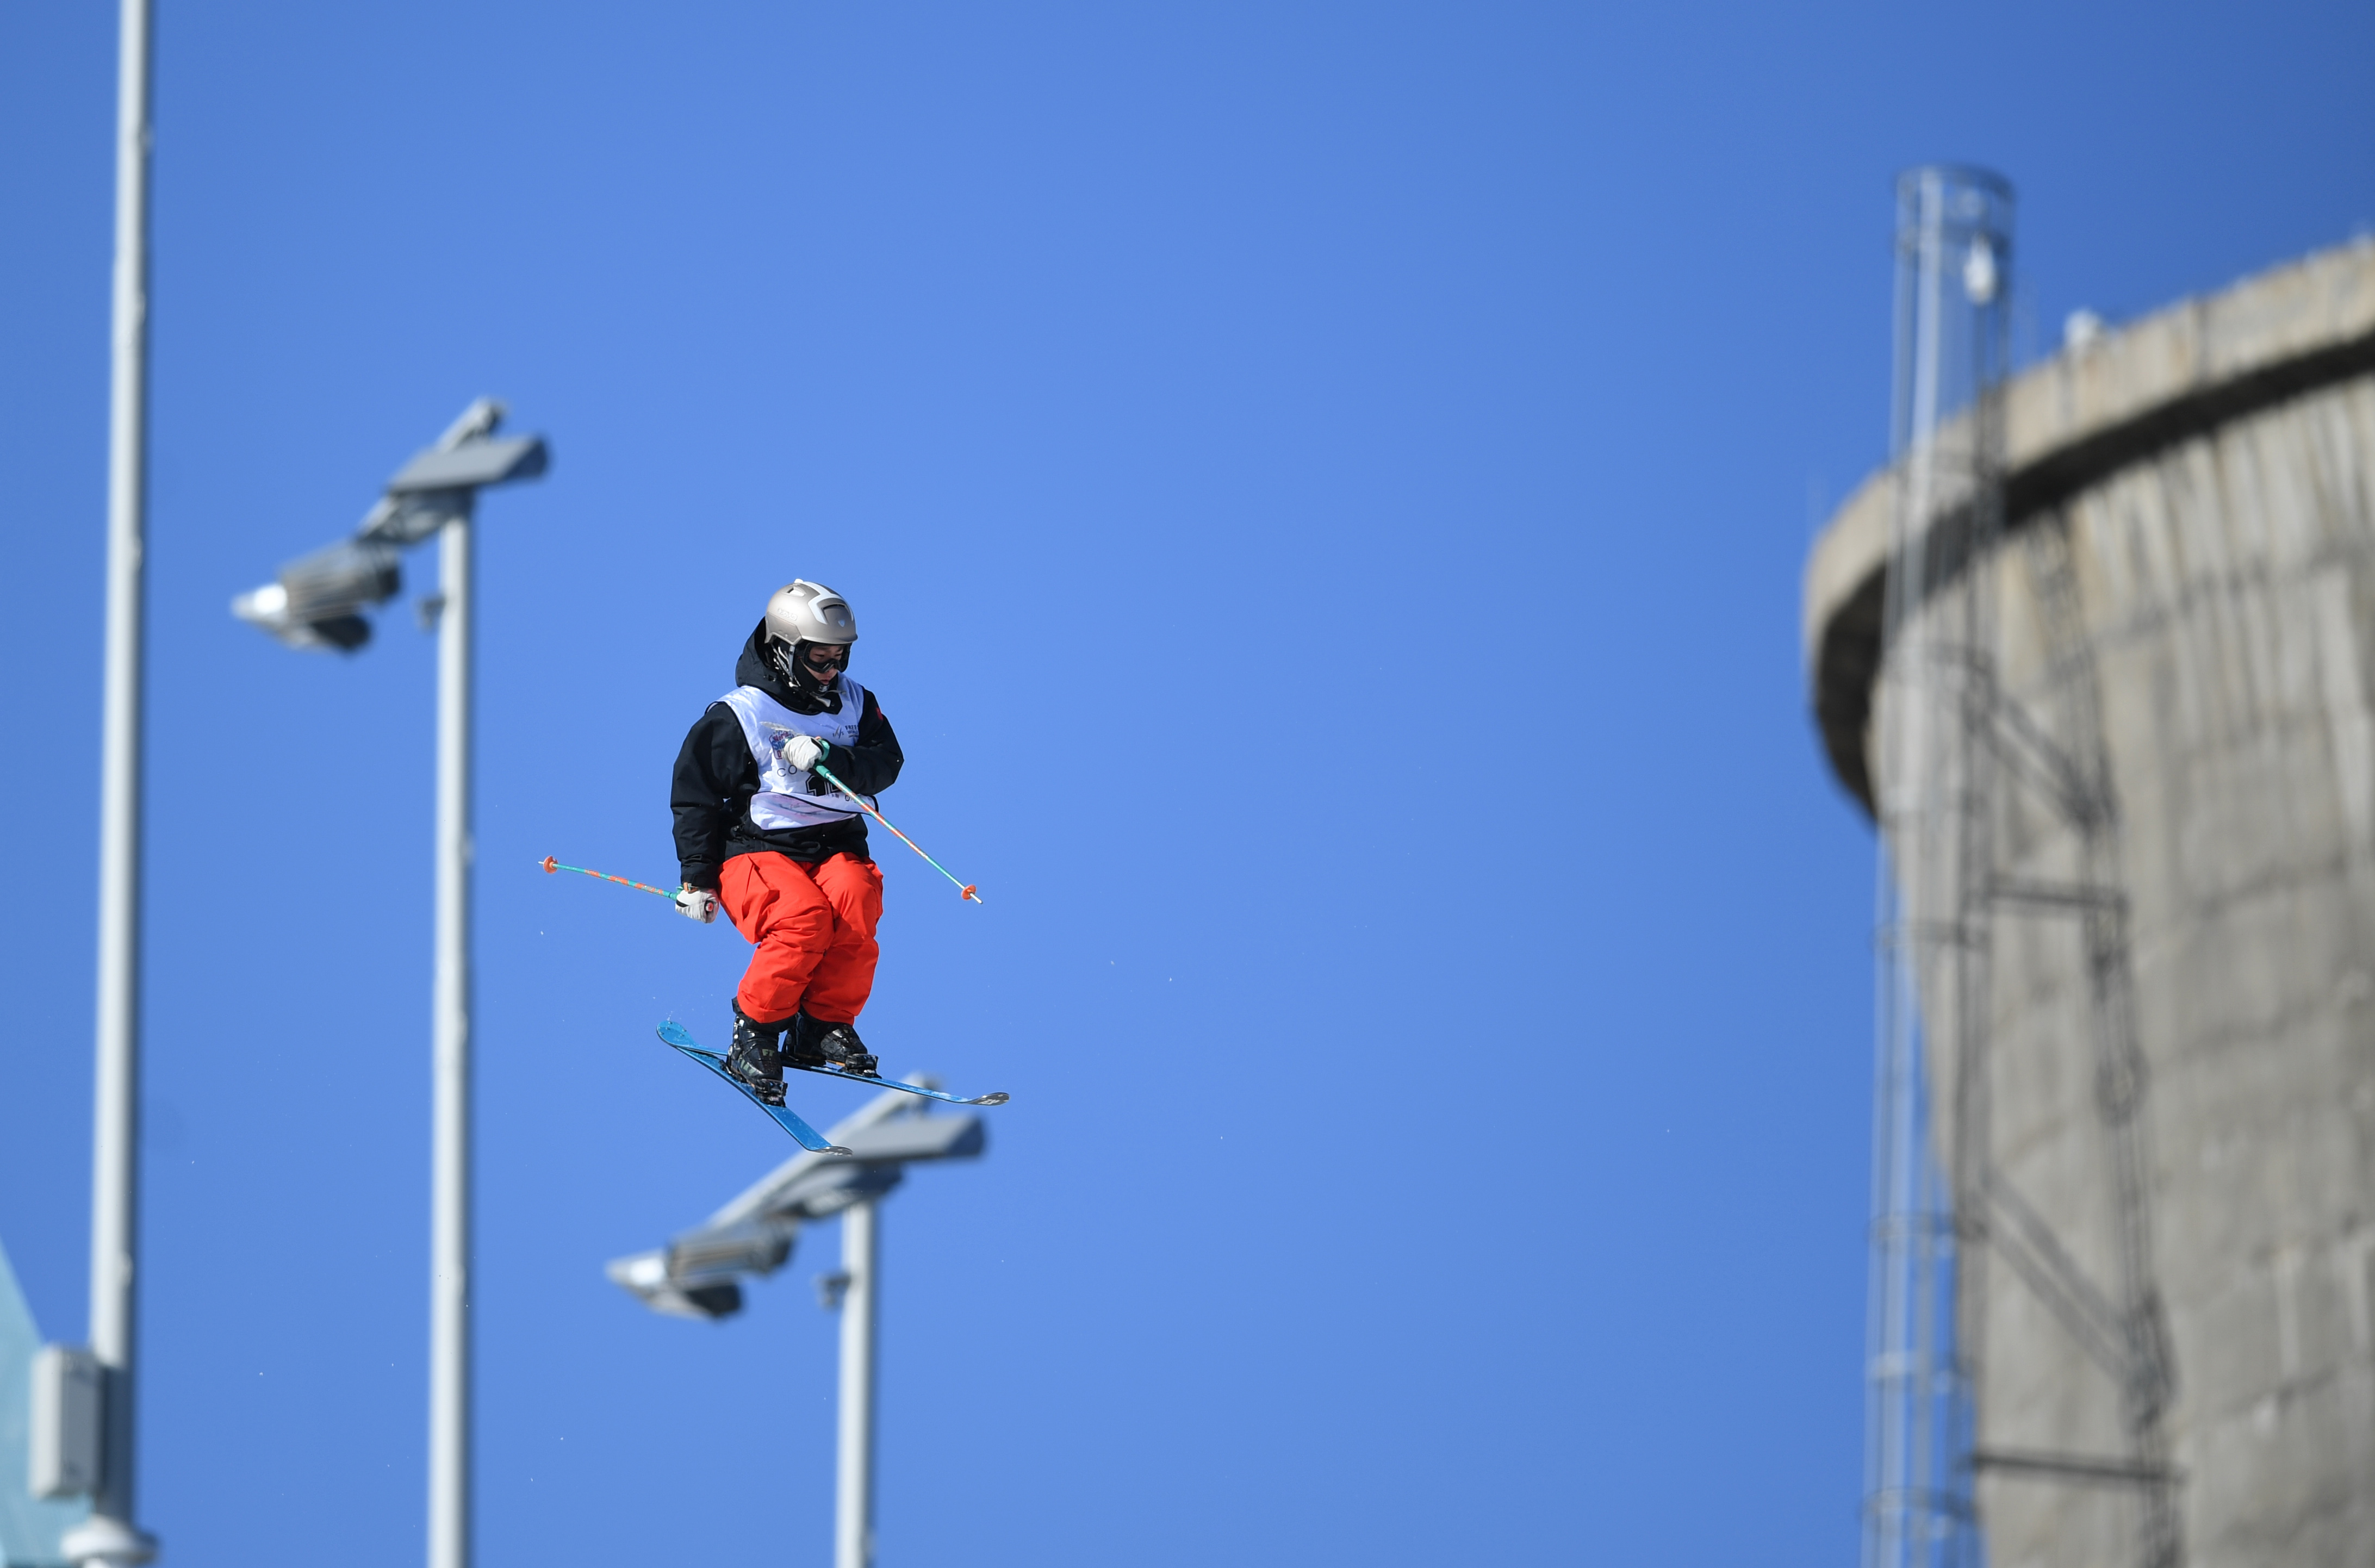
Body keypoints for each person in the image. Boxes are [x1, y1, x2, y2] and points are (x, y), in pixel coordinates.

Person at [669, 580, 905, 1104]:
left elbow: (887, 763)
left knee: (855, 902)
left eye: (839, 658)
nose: (831, 673)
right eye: (818, 660)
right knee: (803, 919)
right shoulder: (740, 715)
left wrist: (830, 756)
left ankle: (820, 1027)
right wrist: (696, 876)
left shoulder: (856, 704)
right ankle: (755, 1032)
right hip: (755, 849)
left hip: (832, 844)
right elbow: (695, 796)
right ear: (783, 650)